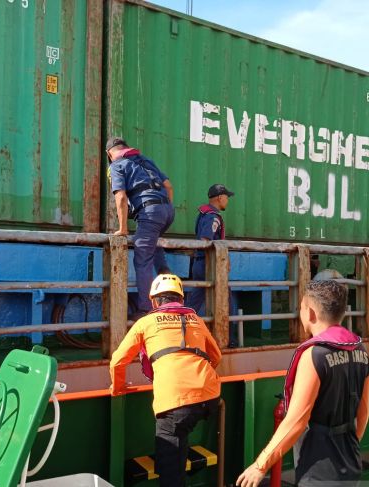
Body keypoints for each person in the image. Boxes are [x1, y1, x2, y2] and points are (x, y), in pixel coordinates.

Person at [236, 280, 369, 487]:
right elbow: (363, 412)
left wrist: (260, 465)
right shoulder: (360, 349)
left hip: (318, 465)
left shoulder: (314, 355)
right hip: (350, 458)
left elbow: (297, 420)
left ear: (309, 313)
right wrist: (348, 447)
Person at [110, 273, 222, 487]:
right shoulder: (195, 319)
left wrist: (118, 387)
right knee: (182, 435)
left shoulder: (146, 322)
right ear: (181, 300)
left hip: (174, 402)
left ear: (154, 300)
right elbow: (216, 356)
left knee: (170, 471)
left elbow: (117, 362)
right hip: (210, 396)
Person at [106, 137, 175, 317]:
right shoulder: (145, 160)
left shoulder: (116, 165)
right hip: (167, 212)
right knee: (154, 249)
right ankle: (170, 297)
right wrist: (165, 207)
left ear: (109, 154)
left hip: (150, 212)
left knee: (142, 260)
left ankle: (146, 310)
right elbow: (169, 186)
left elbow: (120, 197)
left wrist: (123, 229)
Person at [186, 184, 234, 315]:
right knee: (226, 301)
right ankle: (228, 335)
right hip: (208, 265)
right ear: (219, 197)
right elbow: (205, 240)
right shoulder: (212, 217)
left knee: (194, 301)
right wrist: (223, 260)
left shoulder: (204, 214)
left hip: (200, 262)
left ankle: (181, 328)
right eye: (226, 197)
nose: (227, 200)